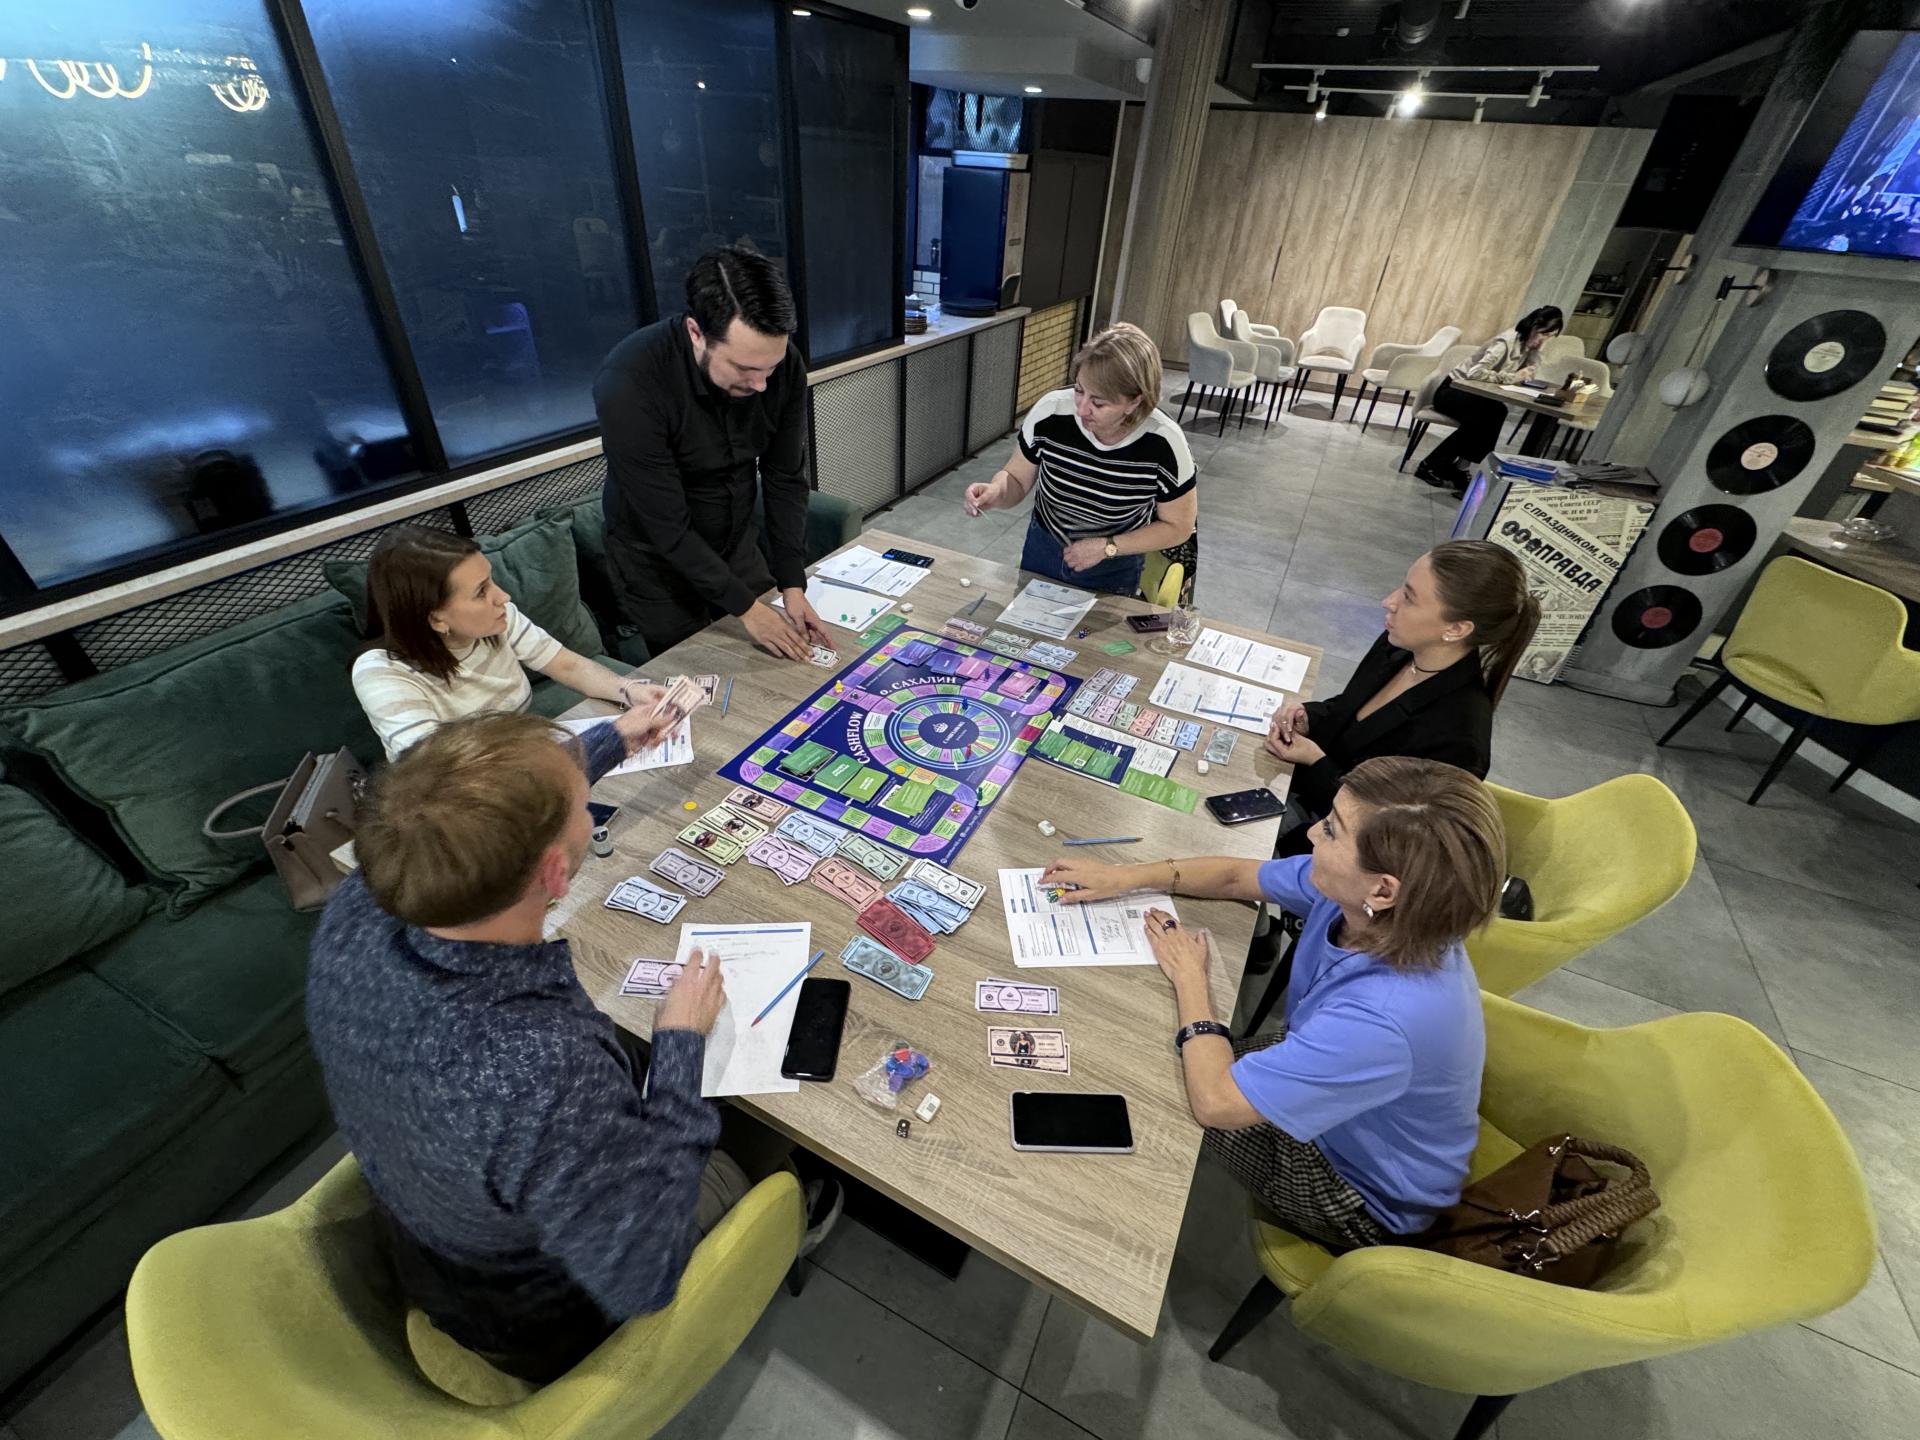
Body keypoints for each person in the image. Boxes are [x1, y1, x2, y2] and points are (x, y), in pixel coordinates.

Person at [307, 712, 840, 1384]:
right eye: (584, 807)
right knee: (751, 1150)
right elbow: (644, 1275)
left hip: (437, 1230)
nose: (589, 805)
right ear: (556, 874)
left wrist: (610, 741)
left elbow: (470, 819)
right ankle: (795, 1218)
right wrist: (680, 1046)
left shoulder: (365, 901)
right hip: (544, 1313)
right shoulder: (538, 1069)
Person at [1041, 756, 1503, 1251]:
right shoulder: (1367, 903)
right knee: (1159, 1039)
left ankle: (1089, 1232)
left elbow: (1216, 1104)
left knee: (1153, 1080)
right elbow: (1236, 876)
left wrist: (1191, 978)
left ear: (1383, 889)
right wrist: (1124, 877)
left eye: (1331, 830)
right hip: (1346, 1100)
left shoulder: (1385, 1018)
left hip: (1359, 1194)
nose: (1312, 834)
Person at [594, 245, 831, 661]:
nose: (761, 385)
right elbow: (667, 526)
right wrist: (747, 610)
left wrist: (792, 583)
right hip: (658, 561)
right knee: (696, 673)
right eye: (744, 369)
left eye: (770, 368)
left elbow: (785, 477)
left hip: (736, 540)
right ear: (695, 332)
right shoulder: (630, 382)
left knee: (776, 659)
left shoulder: (783, 365)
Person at [1263, 540, 1540, 859]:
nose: (1388, 602)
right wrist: (1308, 716)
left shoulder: (1458, 736)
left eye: (1409, 597)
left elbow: (1389, 830)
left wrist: (1316, 762)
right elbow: (1349, 710)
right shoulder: (1399, 645)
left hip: (1338, 846)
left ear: (1456, 629)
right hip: (1300, 791)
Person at [351, 526, 666, 761]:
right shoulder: (381, 674)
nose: (503, 596)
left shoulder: (499, 619)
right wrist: (610, 739)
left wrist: (629, 690)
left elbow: (567, 664)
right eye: (481, 591)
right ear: (436, 619)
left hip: (523, 758)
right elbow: (440, 774)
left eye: (491, 580)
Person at [960, 322, 1197, 597]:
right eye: (1079, 390)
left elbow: (1178, 527)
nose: (1082, 409)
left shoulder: (1164, 442)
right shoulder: (1052, 411)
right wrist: (996, 492)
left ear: (1134, 402)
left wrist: (1108, 547)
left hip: (1113, 563)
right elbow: (1015, 479)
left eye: (1099, 402)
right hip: (1044, 546)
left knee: (1095, 627)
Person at [1414, 306, 1565, 493]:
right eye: (1544, 333)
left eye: (1550, 336)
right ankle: (1437, 466)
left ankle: (1458, 466)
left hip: (1474, 396)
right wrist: (1512, 377)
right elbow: (1475, 373)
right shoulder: (1506, 341)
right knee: (1483, 418)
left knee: (1497, 412)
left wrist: (1536, 352)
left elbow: (1530, 372)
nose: (1544, 340)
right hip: (1451, 391)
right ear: (1534, 325)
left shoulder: (1527, 344)